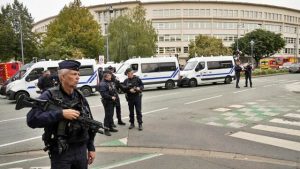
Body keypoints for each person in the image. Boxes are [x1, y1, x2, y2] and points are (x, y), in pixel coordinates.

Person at [27, 60, 96, 169]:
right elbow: (31, 119)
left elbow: (89, 123)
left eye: (78, 74)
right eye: (74, 74)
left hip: (81, 150)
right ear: (62, 77)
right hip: (61, 151)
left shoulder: (80, 96)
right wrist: (60, 114)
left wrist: (91, 147)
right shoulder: (49, 95)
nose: (78, 77)